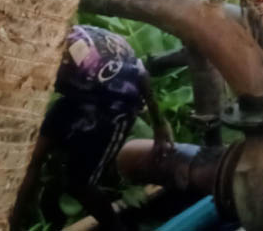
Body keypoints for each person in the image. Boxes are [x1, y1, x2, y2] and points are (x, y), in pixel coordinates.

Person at [11, 25, 172, 231]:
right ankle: (13, 222)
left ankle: (116, 228)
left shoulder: (86, 59)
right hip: (78, 96)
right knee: (32, 157)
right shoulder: (39, 53)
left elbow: (140, 72)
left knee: (79, 183)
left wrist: (159, 124)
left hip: (115, 104)